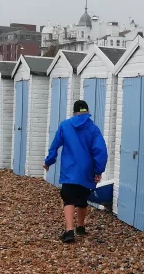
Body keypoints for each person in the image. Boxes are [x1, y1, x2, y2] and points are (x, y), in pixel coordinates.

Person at [44, 99, 108, 243]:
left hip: (69, 170)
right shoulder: (93, 129)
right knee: (82, 198)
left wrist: (49, 161)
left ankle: (69, 231)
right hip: (86, 171)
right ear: (88, 111)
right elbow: (100, 151)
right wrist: (98, 170)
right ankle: (80, 226)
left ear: (74, 112)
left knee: (69, 198)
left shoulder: (65, 125)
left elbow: (55, 146)